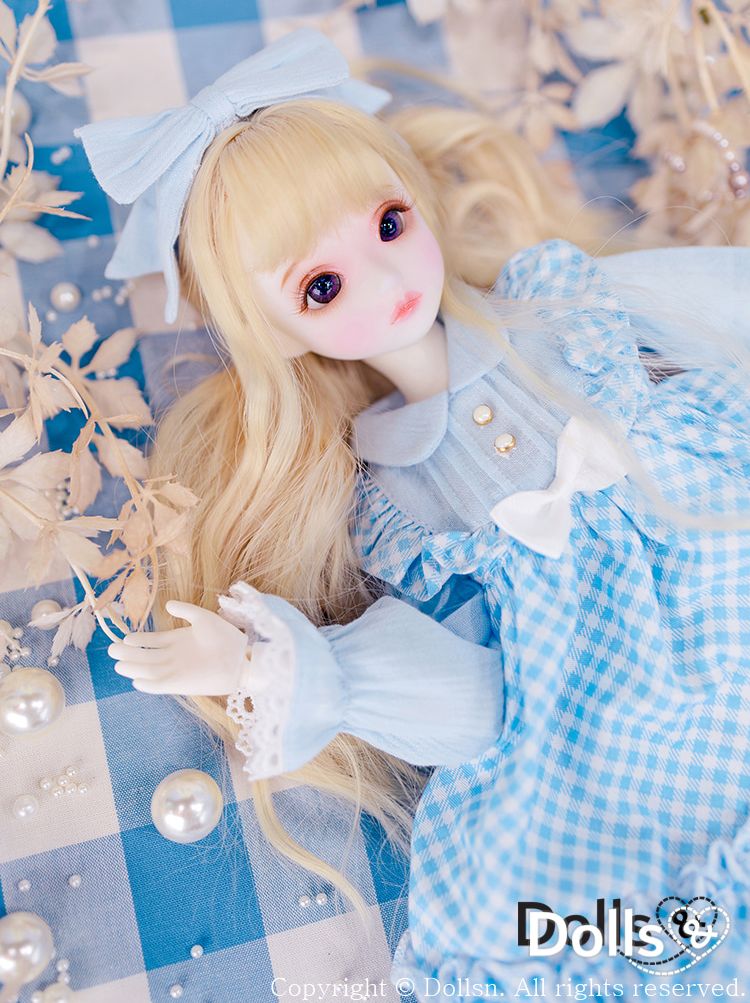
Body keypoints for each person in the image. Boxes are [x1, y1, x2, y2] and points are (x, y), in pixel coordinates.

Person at [77, 28, 750, 998]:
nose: (387, 280)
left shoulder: (569, 310)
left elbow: (727, 309)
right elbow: (483, 710)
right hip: (621, 747)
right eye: (321, 285)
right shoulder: (399, 503)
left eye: (389, 224)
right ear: (278, 333)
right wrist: (274, 666)